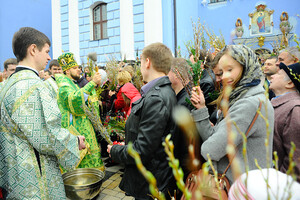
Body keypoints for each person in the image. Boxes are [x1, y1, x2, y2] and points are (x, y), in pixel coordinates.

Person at [0, 27, 85, 199]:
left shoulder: (9, 84)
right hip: (35, 171)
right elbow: (45, 135)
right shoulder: (33, 86)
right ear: (32, 49)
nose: (48, 57)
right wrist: (75, 141)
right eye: (46, 51)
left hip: (16, 168)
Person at [190, 45, 274, 185]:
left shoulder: (249, 104)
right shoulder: (241, 99)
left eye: (230, 70)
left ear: (246, 66)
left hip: (243, 187)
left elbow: (211, 149)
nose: (224, 77)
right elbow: (214, 140)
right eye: (222, 72)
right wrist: (201, 109)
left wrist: (214, 137)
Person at [107, 43, 177, 199]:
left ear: (148, 62)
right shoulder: (162, 92)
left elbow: (142, 151)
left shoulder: (156, 98)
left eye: (141, 62)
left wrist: (115, 151)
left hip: (150, 183)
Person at [56, 52, 104, 171]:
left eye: (78, 67)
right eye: (75, 68)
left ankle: (90, 181)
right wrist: (92, 83)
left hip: (84, 125)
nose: (79, 70)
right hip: (74, 129)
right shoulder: (63, 85)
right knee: (79, 163)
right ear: (67, 71)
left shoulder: (73, 84)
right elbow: (75, 101)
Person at [269, 62, 300, 182]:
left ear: (290, 83)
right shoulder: (281, 105)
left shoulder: (294, 110)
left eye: (278, 74)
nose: (272, 76)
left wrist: (277, 184)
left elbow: (296, 162)